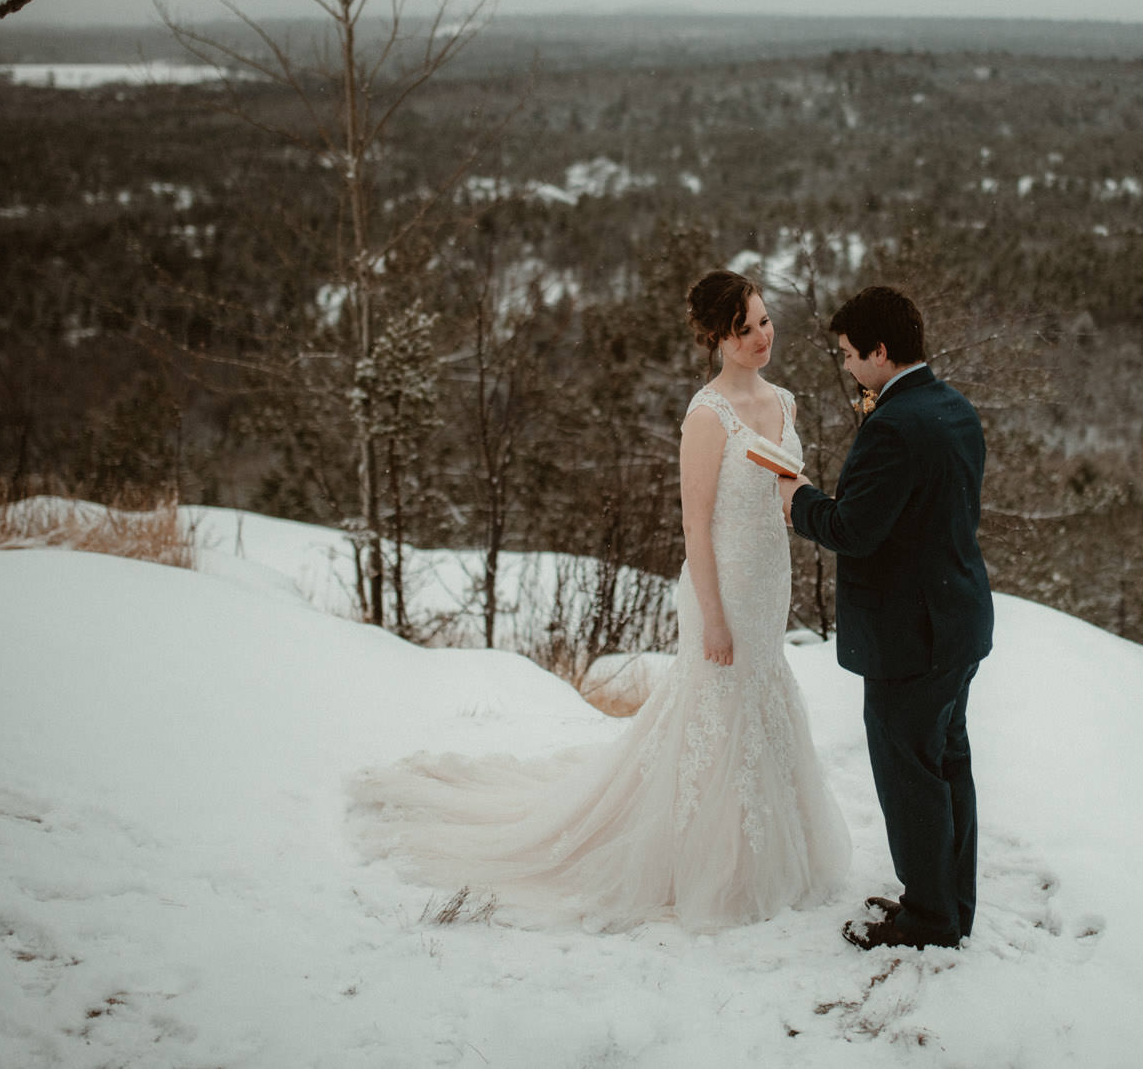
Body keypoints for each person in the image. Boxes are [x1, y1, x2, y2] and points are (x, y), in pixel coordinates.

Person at [348, 270, 849, 932]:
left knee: (762, 701)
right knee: (716, 713)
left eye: (762, 320)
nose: (761, 336)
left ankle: (773, 857)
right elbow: (695, 526)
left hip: (770, 582)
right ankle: (717, 866)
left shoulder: (784, 400)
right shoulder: (707, 416)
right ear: (714, 338)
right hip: (720, 588)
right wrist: (716, 619)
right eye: (743, 329)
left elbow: (781, 492)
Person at [778, 286, 993, 951]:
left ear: (879, 350)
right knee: (946, 764)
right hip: (956, 620)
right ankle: (950, 902)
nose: (845, 366)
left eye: (849, 354)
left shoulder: (896, 424)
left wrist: (797, 498)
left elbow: (854, 526)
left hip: (912, 636)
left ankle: (928, 919)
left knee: (911, 778)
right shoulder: (951, 408)